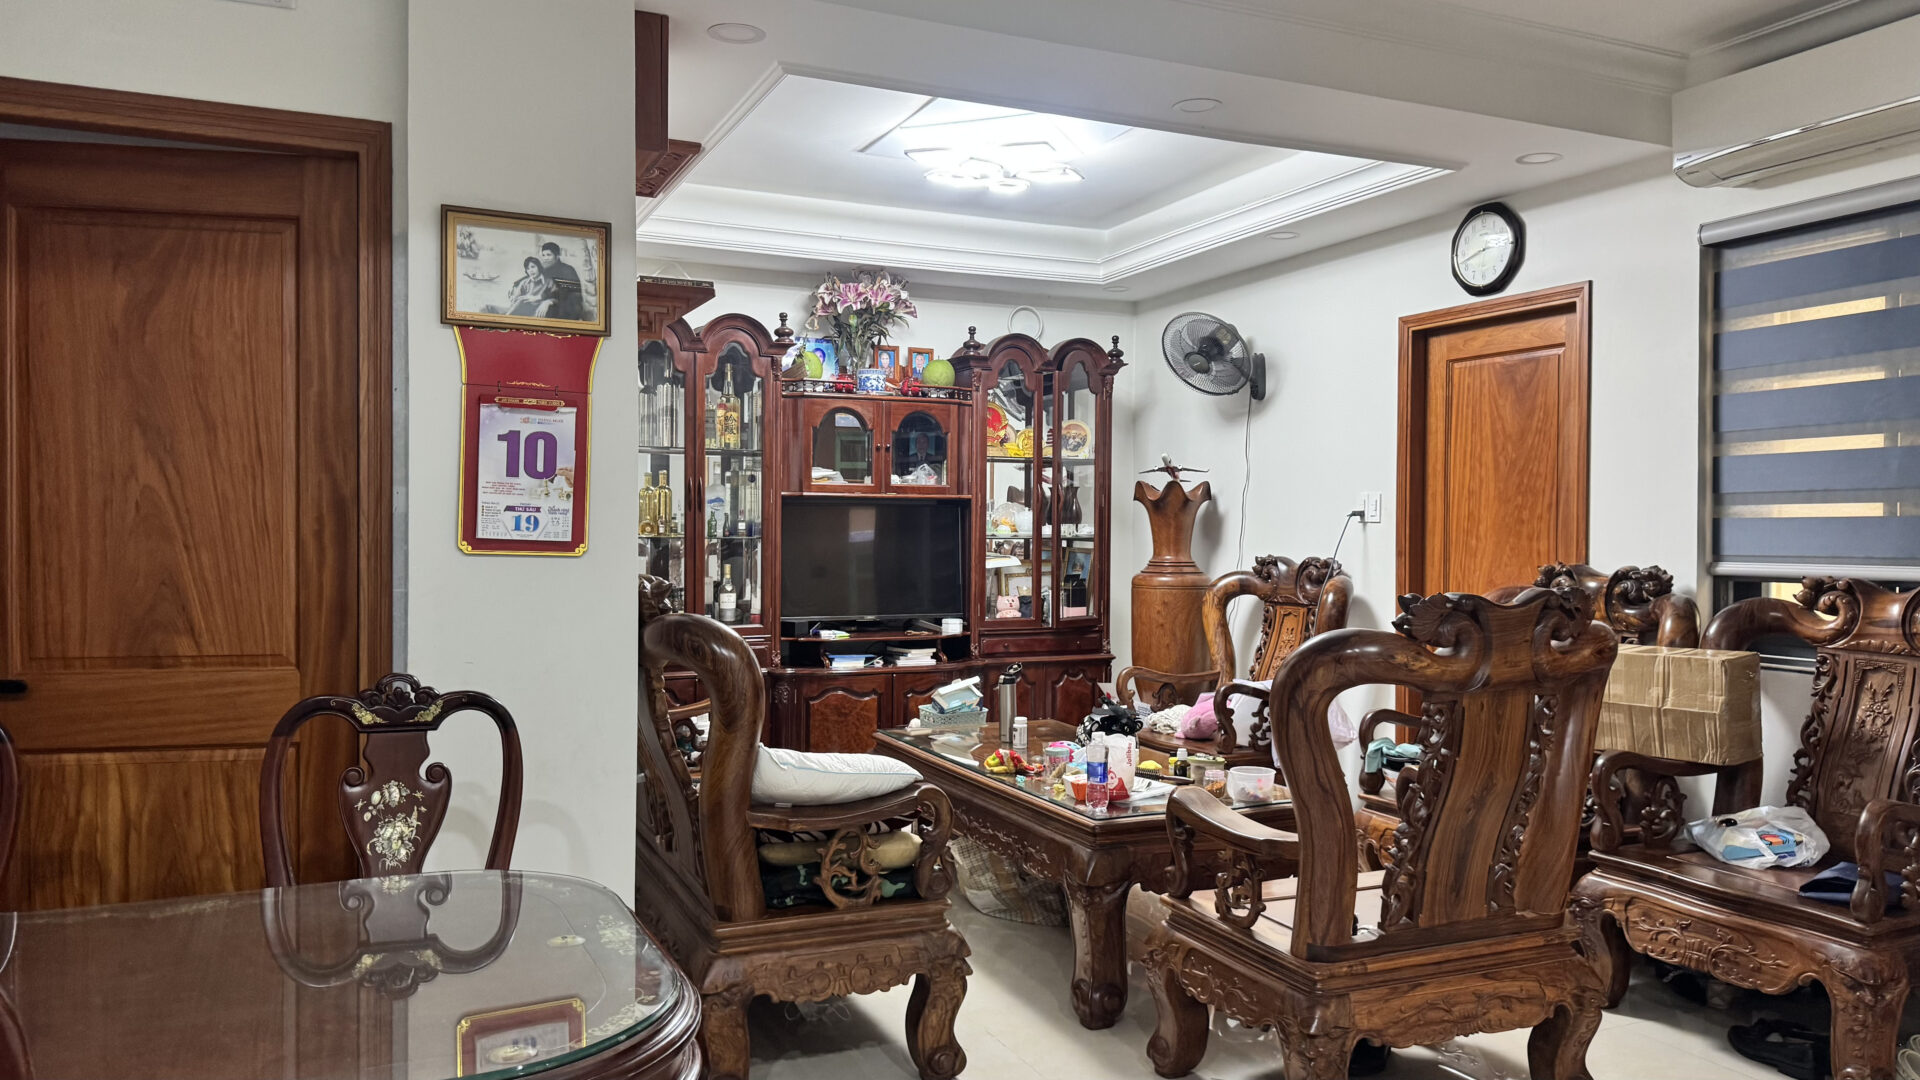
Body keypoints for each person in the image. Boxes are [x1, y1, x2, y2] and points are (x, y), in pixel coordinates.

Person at [538, 242, 585, 320]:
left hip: (567, 308)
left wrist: (551, 301)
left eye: (549, 255)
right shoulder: (545, 271)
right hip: (548, 305)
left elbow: (574, 295)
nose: (545, 258)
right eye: (543, 255)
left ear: (557, 256)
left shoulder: (568, 270)